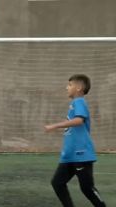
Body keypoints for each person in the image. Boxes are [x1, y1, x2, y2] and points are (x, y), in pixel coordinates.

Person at [44, 74, 106, 207]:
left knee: (87, 188)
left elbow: (79, 120)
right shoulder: (74, 104)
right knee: (57, 183)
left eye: (70, 85)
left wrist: (55, 125)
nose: (66, 87)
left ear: (78, 88)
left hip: (81, 154)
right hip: (70, 155)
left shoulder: (79, 102)